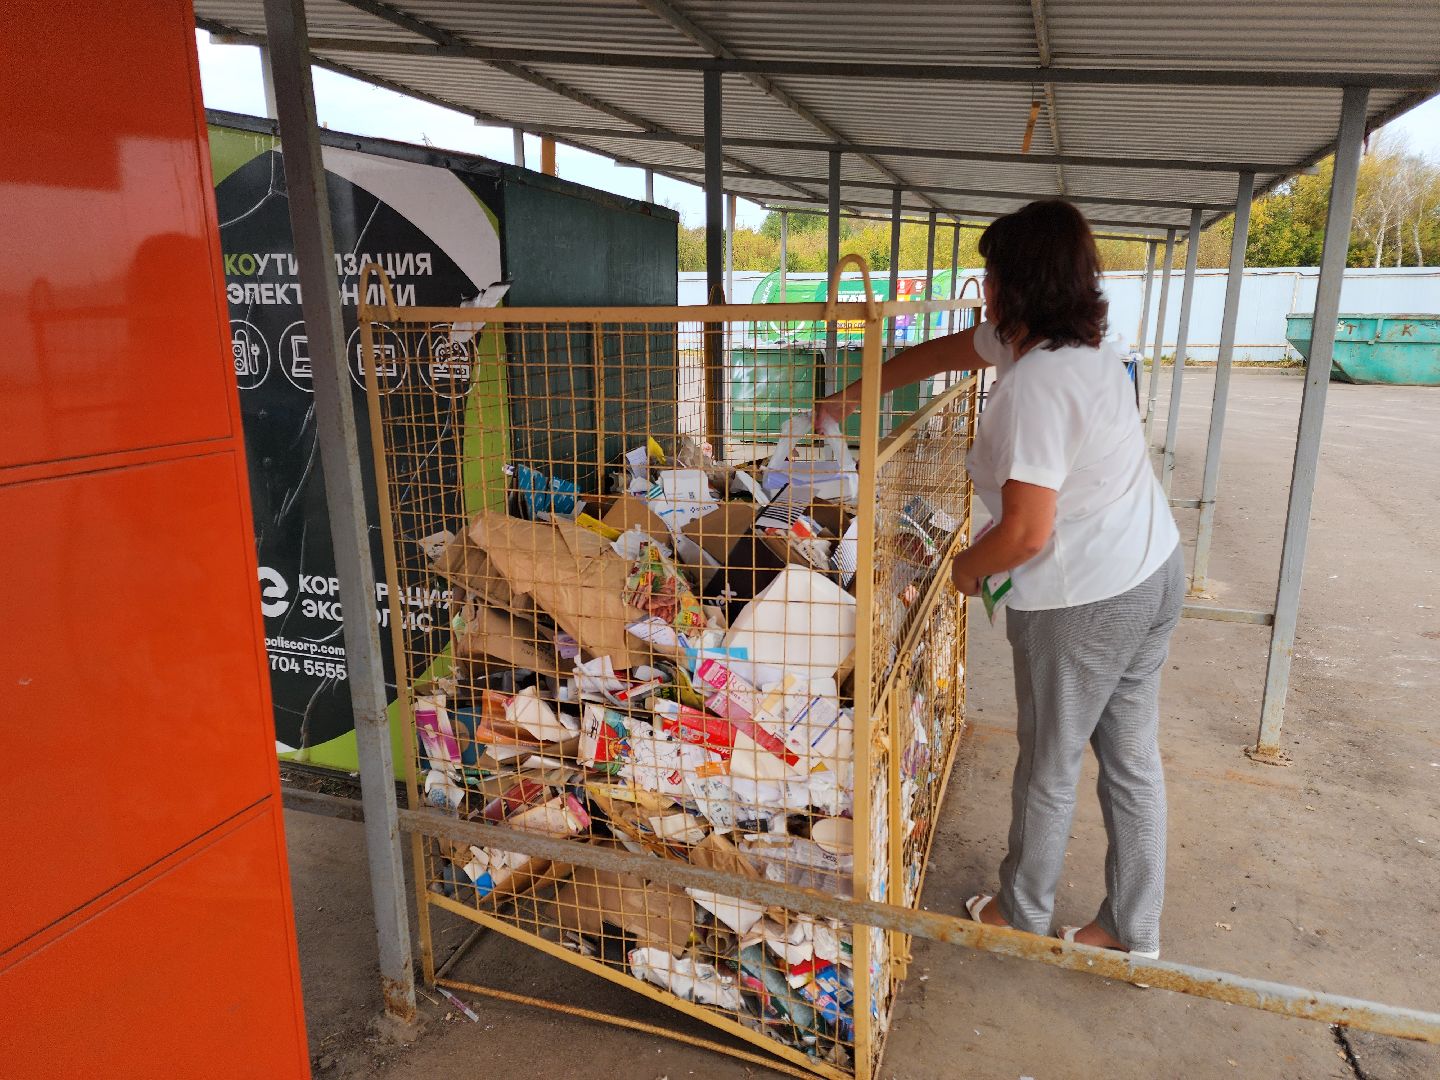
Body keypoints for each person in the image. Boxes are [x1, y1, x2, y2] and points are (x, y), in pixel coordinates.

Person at [817, 199, 1182, 959]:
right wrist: (856, 394)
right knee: (1131, 759)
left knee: (1050, 760)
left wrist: (959, 573)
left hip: (1084, 597)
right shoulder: (1075, 344)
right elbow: (952, 350)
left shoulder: (1041, 384)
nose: (982, 287)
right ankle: (1131, 929)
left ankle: (1020, 912)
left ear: (1020, 283)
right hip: (1150, 566)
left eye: (990, 273)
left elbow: (1024, 533)